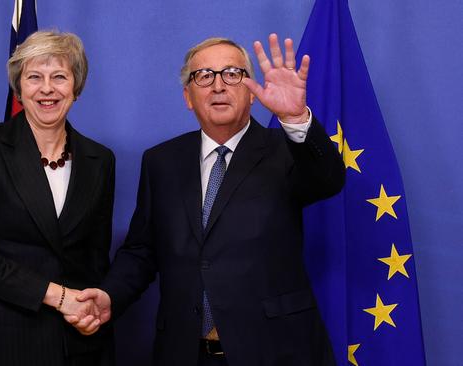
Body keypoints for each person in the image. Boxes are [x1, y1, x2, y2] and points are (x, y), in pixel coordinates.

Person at [70, 34, 345, 365]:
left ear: (252, 91)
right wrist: (109, 295)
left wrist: (296, 119)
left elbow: (329, 180)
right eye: (204, 76)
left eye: (232, 74)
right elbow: (142, 250)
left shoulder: (287, 150)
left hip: (275, 351)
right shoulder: (161, 161)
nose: (218, 86)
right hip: (185, 352)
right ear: (188, 96)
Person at [0, 30, 115, 366]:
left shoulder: (100, 160)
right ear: (19, 87)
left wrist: (90, 314)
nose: (47, 88)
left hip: (74, 344)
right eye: (34, 77)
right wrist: (58, 296)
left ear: (76, 87)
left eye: (59, 77)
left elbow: (95, 261)